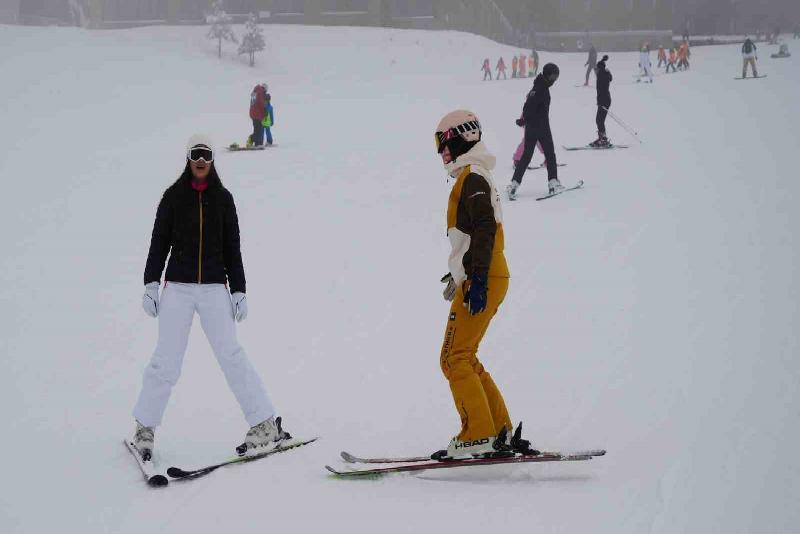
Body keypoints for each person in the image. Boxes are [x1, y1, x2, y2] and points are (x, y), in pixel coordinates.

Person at [132, 134, 290, 462]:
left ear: (212, 159)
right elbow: (159, 241)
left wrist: (239, 289)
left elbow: (233, 247)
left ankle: (264, 424)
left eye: (206, 155)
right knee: (166, 360)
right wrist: (150, 282)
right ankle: (144, 428)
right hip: (177, 287)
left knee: (231, 355)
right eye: (195, 154)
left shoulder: (223, 199)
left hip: (215, 288)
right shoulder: (173, 197)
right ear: (188, 158)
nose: (201, 160)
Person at [433, 110, 537, 459]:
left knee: (453, 358)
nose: (441, 153)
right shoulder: (473, 176)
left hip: (486, 273)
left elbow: (484, 229)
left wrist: (476, 279)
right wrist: (461, 273)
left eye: (444, 144)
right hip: (488, 271)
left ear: (464, 136)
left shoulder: (473, 178)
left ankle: (478, 433)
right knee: (465, 355)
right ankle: (497, 429)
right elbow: (476, 233)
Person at [506, 63, 562, 200]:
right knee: (549, 154)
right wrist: (526, 120)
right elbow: (528, 107)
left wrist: (525, 121)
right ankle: (553, 183)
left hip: (534, 127)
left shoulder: (539, 86)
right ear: (547, 74)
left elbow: (528, 107)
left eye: (557, 77)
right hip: (540, 128)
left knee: (527, 156)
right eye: (553, 76)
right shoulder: (539, 89)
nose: (555, 79)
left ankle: (514, 183)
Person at [590, 55, 612, 148]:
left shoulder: (602, 76)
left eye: (596, 69)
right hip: (605, 100)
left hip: (604, 101)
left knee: (599, 120)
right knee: (599, 120)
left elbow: (602, 90)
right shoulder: (603, 74)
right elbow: (609, 76)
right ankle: (602, 138)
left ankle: (603, 140)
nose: (595, 71)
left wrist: (600, 102)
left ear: (599, 69)